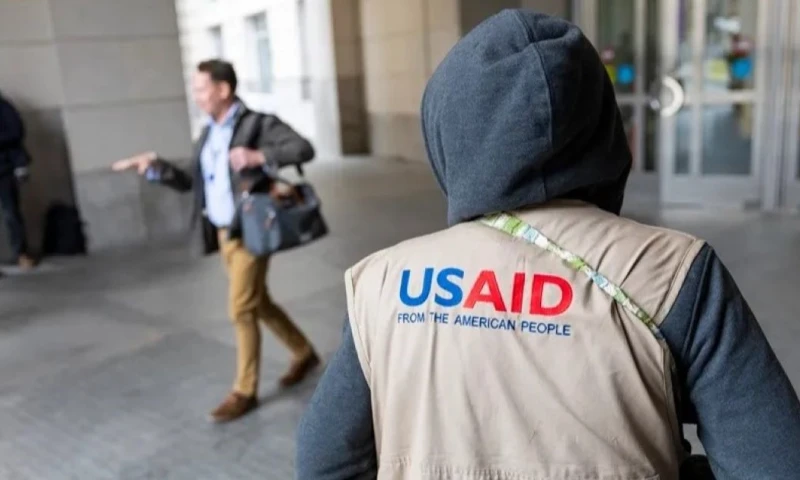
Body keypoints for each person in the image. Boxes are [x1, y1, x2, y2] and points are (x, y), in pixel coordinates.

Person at [295, 10, 800, 479]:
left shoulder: (382, 282)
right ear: (603, 130)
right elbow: (776, 464)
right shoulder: (677, 274)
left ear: (446, 135)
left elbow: (324, 462)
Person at [113, 59, 319, 423]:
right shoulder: (208, 133)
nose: (196, 96)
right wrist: (156, 167)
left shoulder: (257, 124)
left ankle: (244, 391)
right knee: (258, 300)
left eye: (201, 89)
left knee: (240, 308)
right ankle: (303, 352)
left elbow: (303, 149)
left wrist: (260, 156)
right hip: (224, 232)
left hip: (251, 228)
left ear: (223, 90)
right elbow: (193, 182)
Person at [0, 91, 35, 270]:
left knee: (11, 213)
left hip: (4, 168)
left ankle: (21, 253)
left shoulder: (3, 106)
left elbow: (16, 131)